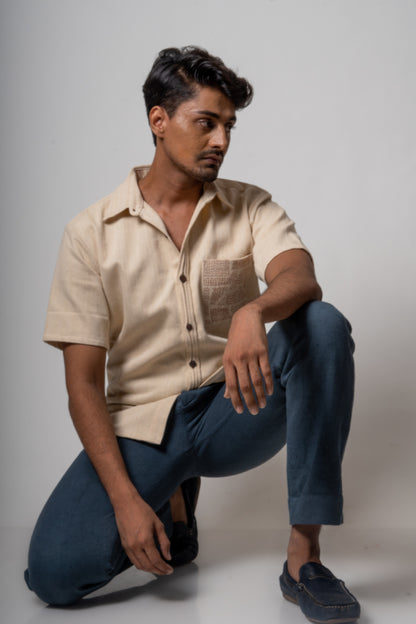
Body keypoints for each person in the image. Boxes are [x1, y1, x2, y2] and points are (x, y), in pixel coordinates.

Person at [24, 46, 360, 623]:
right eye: (206, 122)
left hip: (235, 407)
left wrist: (253, 311)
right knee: (53, 574)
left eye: (228, 126)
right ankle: (172, 502)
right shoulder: (90, 235)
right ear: (159, 121)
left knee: (321, 324)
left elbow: (300, 277)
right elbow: (82, 385)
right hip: (143, 429)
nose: (221, 140)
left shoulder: (249, 205)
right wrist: (127, 503)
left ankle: (304, 558)